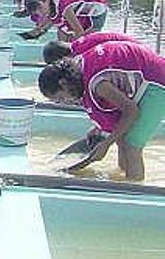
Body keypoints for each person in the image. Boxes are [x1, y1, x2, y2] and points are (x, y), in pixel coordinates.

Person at [38, 41, 165, 181]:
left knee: (132, 143)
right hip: (147, 76)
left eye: (62, 97)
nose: (65, 102)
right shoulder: (78, 67)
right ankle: (123, 178)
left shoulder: (98, 84)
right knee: (121, 137)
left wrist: (106, 144)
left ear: (63, 83)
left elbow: (131, 111)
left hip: (157, 84)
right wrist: (100, 129)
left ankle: (136, 190)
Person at [24, 0, 108, 41]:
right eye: (37, 13)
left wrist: (71, 42)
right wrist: (39, 28)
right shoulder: (51, 2)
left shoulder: (65, 7)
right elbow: (51, 18)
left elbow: (79, 32)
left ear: (45, 1)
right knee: (63, 33)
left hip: (98, 12)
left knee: (86, 39)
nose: (41, 13)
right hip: (81, 10)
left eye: (41, 9)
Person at [42, 32, 139, 64]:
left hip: (133, 53)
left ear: (62, 58)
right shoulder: (78, 44)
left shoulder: (81, 52)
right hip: (133, 47)